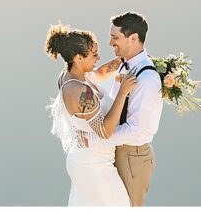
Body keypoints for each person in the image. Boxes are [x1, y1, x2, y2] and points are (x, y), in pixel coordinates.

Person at [46, 24, 136, 206]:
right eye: (94, 54)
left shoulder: (73, 74)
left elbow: (100, 73)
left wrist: (128, 59)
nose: (98, 57)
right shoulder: (80, 91)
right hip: (93, 166)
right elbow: (104, 131)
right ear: (78, 57)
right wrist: (123, 92)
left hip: (86, 159)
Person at [105, 11, 163, 206]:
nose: (110, 43)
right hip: (120, 151)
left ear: (133, 38)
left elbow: (136, 128)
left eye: (115, 37)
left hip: (133, 156)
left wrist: (101, 136)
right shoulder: (125, 66)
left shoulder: (146, 79)